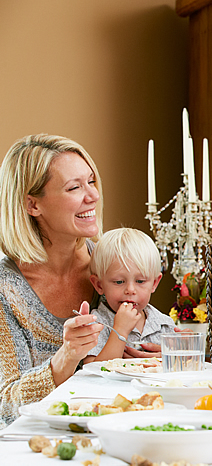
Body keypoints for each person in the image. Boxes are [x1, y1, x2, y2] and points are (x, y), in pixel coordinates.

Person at [0, 134, 105, 428]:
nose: (92, 195)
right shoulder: (6, 290)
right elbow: (4, 404)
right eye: (74, 187)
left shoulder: (112, 267)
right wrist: (66, 357)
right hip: (33, 446)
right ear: (33, 205)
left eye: (91, 181)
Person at [83, 228, 175, 363]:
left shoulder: (165, 325)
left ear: (154, 283)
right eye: (119, 281)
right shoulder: (95, 325)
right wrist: (119, 331)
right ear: (99, 285)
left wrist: (184, 351)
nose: (130, 290)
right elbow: (92, 372)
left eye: (140, 281)